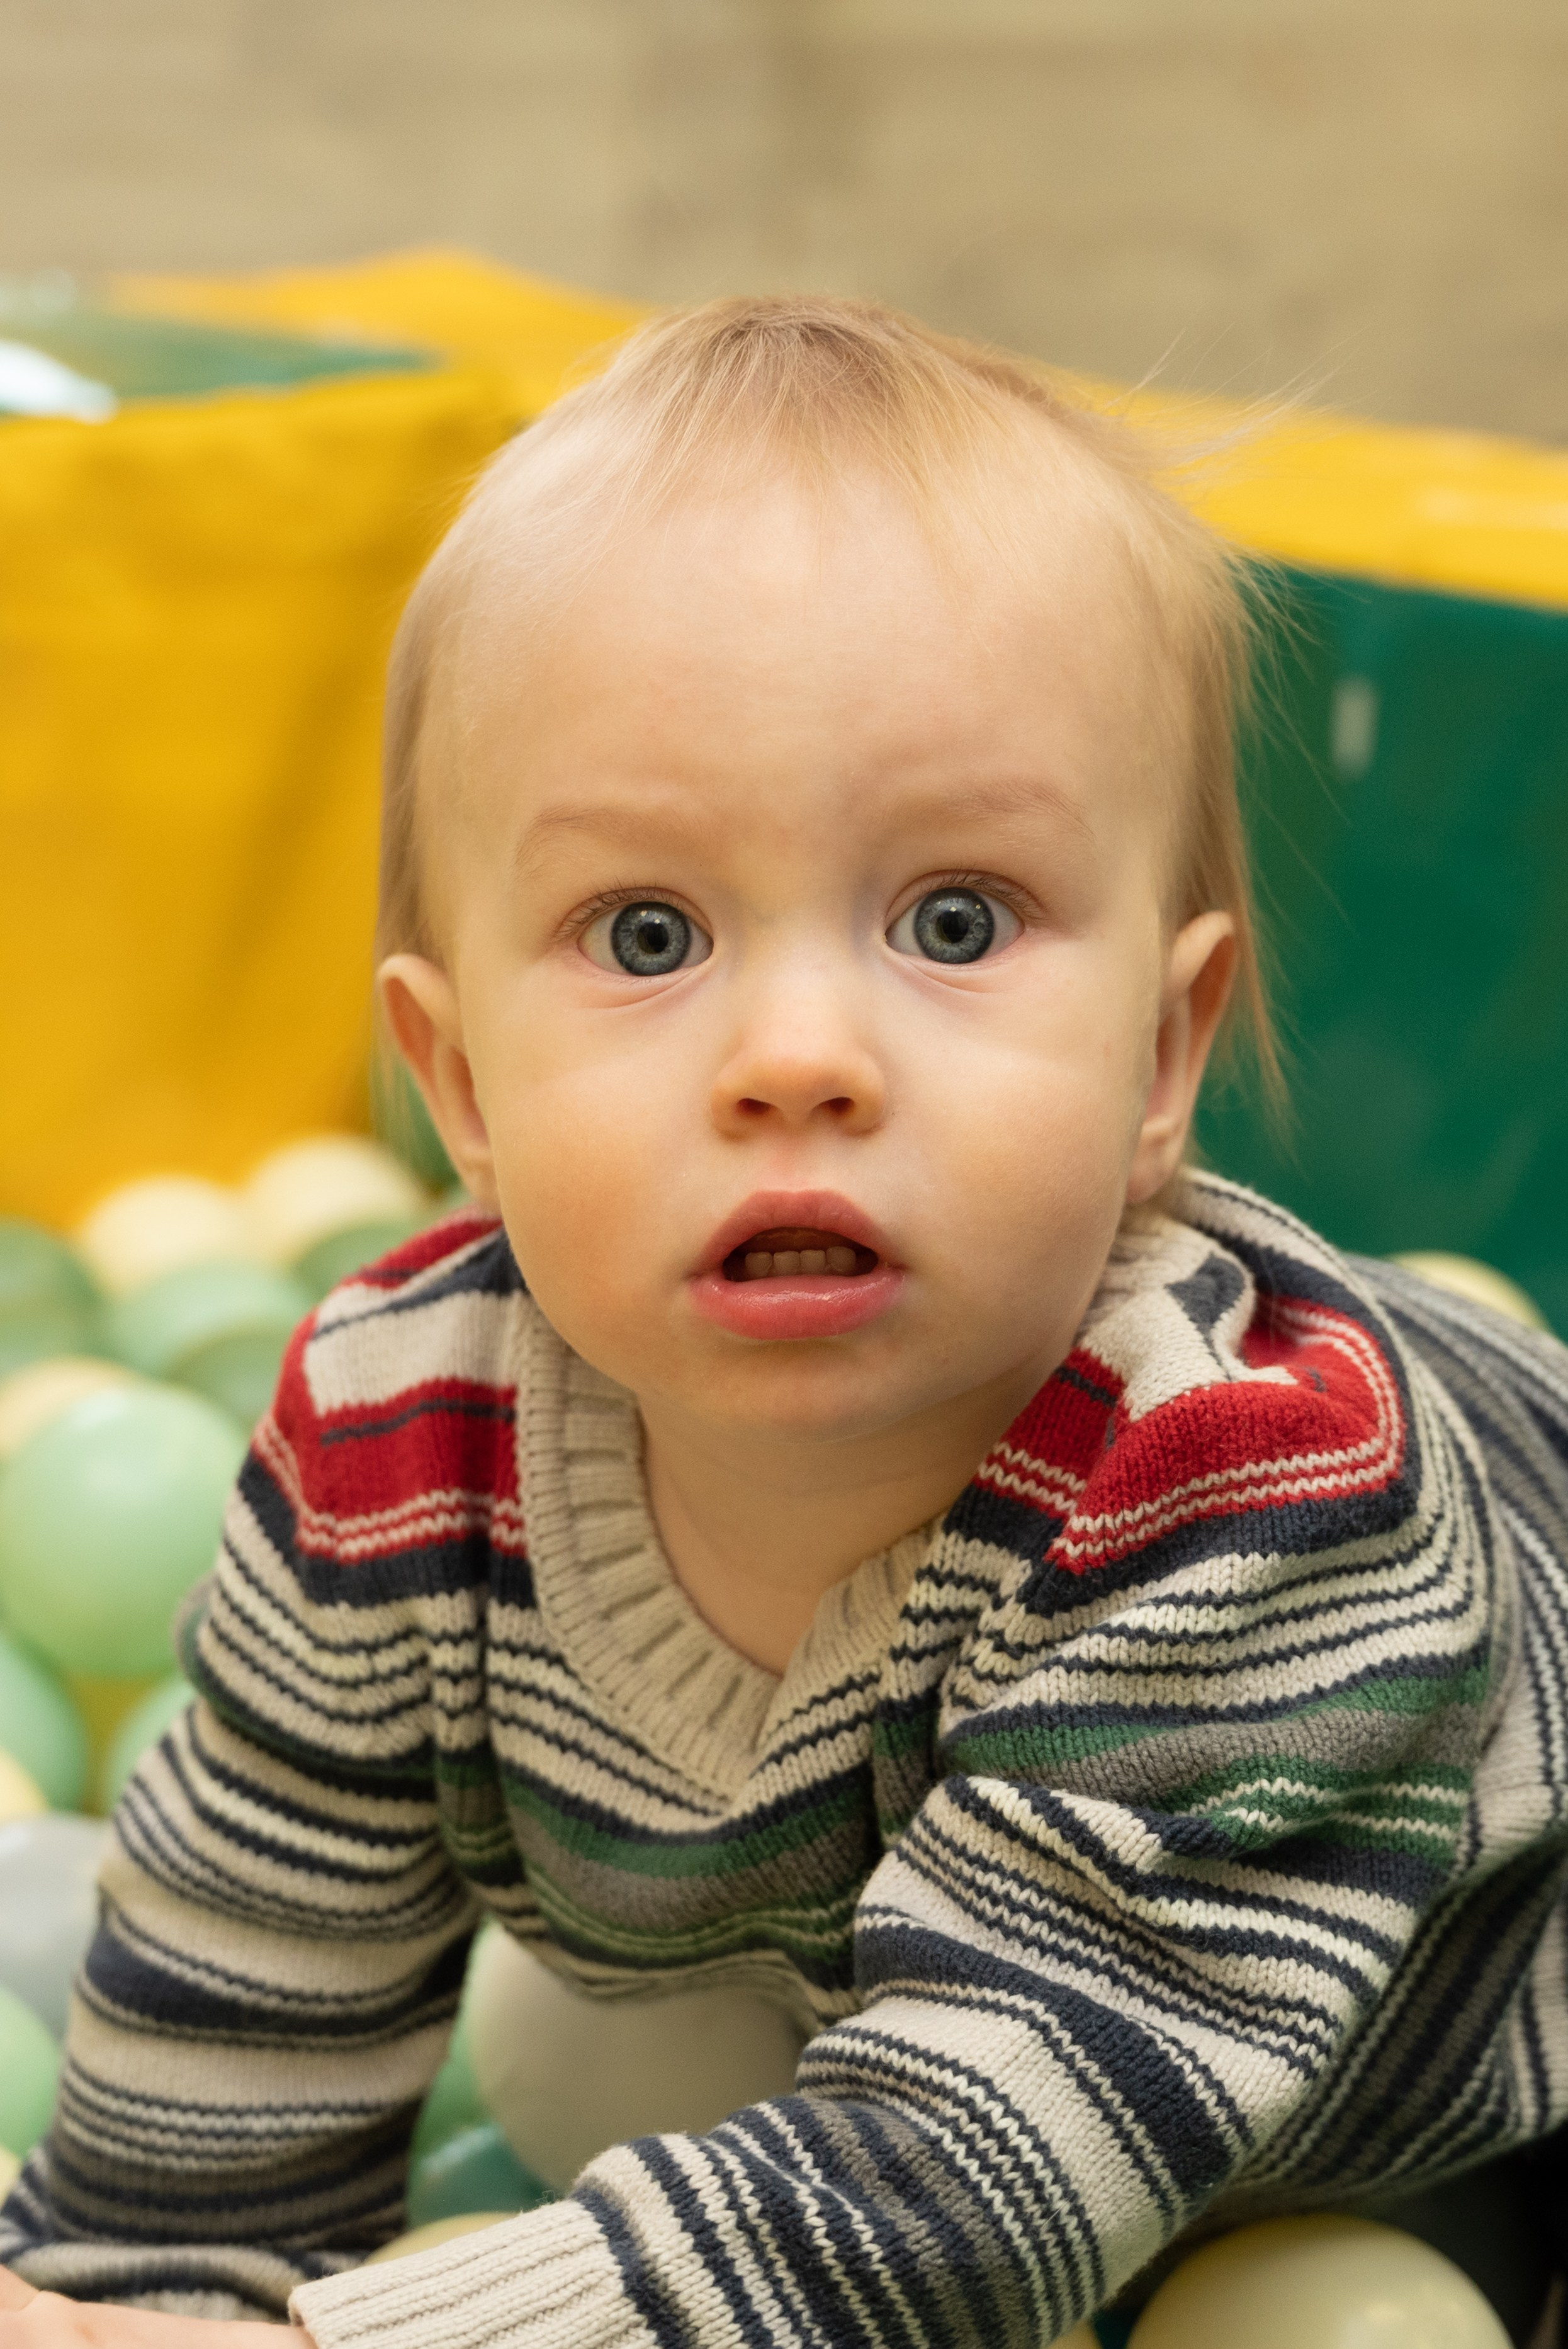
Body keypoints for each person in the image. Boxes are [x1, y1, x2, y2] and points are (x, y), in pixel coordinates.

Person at [5, 294, 1568, 2349]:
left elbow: (975, 2182)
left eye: (954, 919)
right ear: (456, 1088)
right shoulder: (397, 1426)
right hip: (911, 2003)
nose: (800, 1055)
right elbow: (233, 2022)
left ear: (1161, 1051)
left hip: (1438, 2036)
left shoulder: (1258, 1492)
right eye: (646, 934)